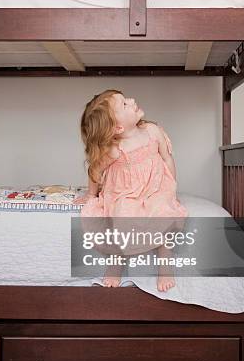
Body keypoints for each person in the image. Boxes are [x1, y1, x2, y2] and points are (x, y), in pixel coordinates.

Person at [74, 89, 188, 291]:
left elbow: (167, 158)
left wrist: (171, 189)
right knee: (121, 215)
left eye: (126, 99)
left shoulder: (152, 131)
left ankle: (165, 265)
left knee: (164, 212)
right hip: (125, 191)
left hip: (155, 187)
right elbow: (95, 170)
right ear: (117, 127)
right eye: (124, 104)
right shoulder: (114, 149)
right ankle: (115, 263)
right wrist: (91, 195)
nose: (132, 100)